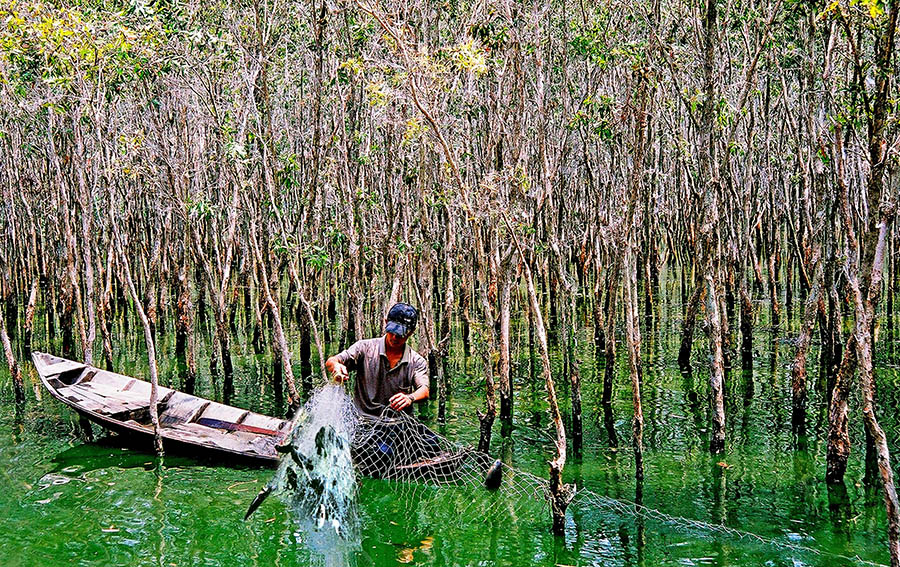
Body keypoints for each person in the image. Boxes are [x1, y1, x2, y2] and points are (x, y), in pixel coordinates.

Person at [325, 302, 429, 416]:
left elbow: (424, 390)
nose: (394, 337)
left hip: (398, 422)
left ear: (411, 332)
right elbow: (332, 361)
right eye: (392, 330)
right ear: (386, 323)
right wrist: (337, 366)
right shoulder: (364, 348)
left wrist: (410, 398)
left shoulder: (416, 361)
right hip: (364, 420)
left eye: (400, 334)